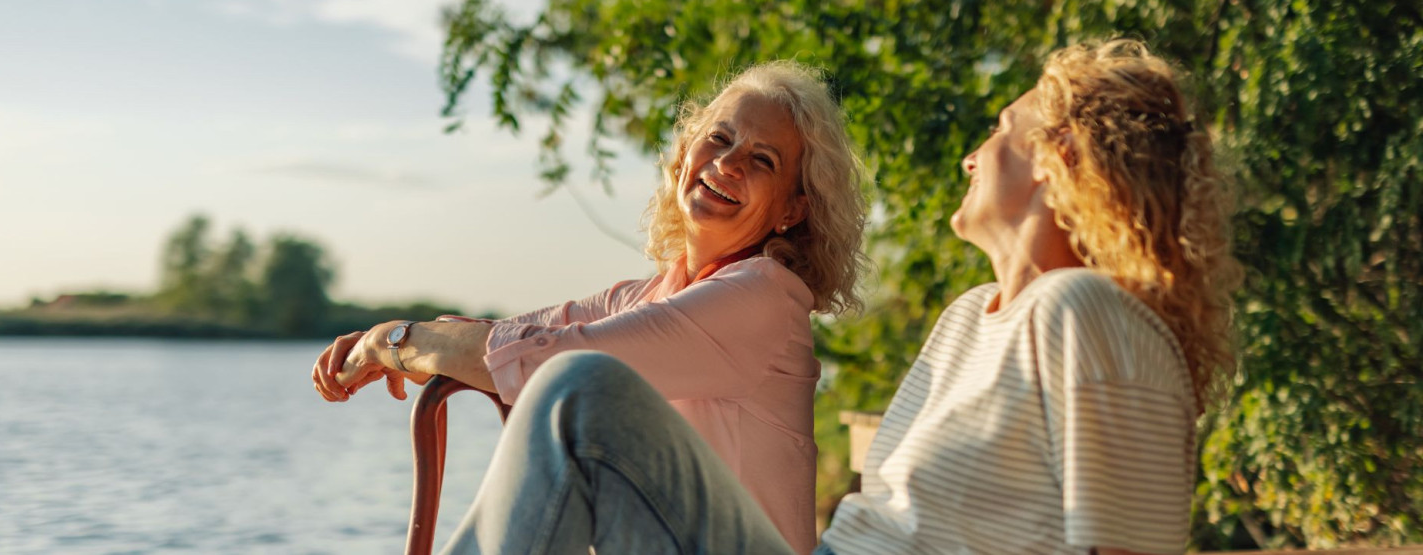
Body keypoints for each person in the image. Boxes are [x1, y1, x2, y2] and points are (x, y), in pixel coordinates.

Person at [428, 38, 1243, 555]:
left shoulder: (1090, 315)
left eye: (1000, 130)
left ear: (1059, 159)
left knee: (580, 389)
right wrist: (417, 337)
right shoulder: (968, 319)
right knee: (577, 395)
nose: (972, 155)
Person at [310, 60, 869, 554]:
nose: (727, 163)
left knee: (580, 386)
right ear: (685, 153)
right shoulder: (648, 296)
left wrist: (394, 342)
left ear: (793, 210)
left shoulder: (763, 297)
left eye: (762, 160)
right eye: (719, 138)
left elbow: (559, 362)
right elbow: (510, 335)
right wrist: (398, 338)